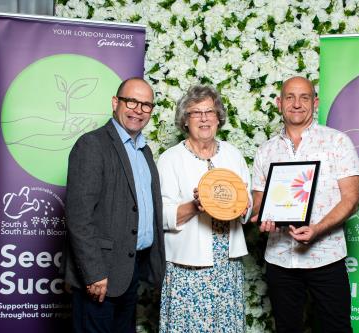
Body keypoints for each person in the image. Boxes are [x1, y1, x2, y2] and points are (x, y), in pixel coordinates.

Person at [251, 76, 359, 333]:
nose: (297, 104)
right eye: (290, 97)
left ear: (315, 102)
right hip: (280, 259)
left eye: (304, 97)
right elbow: (259, 204)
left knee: (336, 328)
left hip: (326, 256)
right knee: (287, 328)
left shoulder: (337, 142)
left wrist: (318, 228)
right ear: (279, 103)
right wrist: (262, 217)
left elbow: (352, 199)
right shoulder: (265, 151)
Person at [62, 77, 166, 333]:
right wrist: (94, 273)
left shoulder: (144, 151)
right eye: (131, 101)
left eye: (145, 105)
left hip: (129, 271)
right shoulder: (92, 145)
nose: (138, 110)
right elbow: (78, 217)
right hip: (100, 276)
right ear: (115, 102)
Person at [156, 85, 251, 332]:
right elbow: (162, 215)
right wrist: (197, 206)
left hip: (227, 265)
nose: (204, 118)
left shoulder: (233, 155)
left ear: (219, 118)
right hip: (187, 266)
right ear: (185, 121)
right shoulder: (170, 159)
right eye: (195, 113)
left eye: (209, 111)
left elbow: (247, 202)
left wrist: (242, 207)